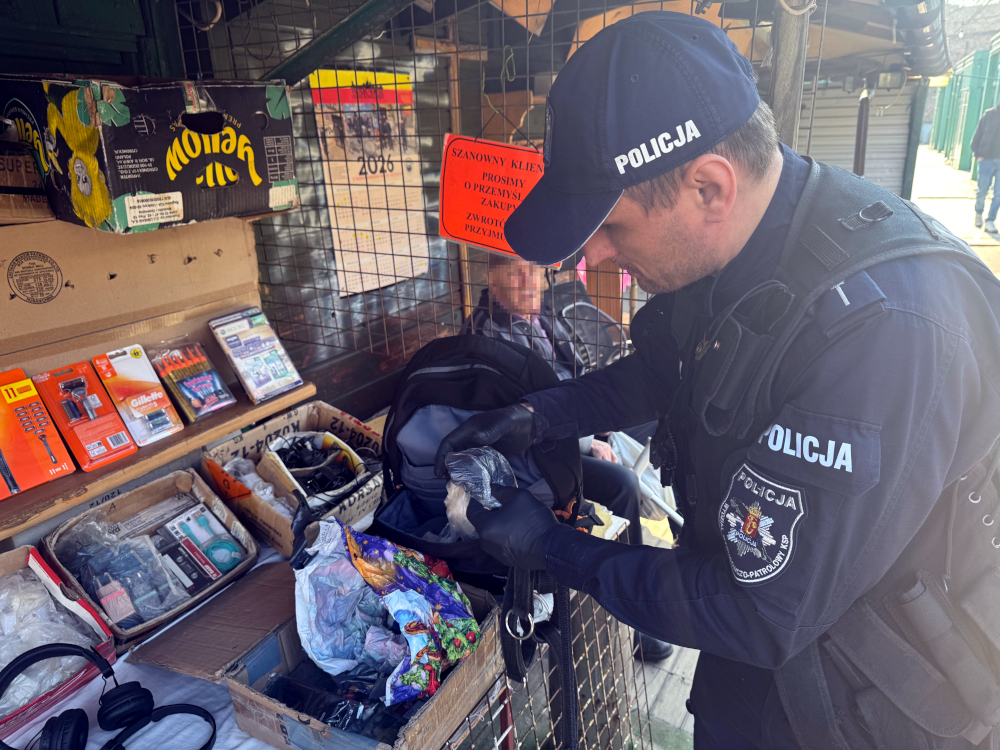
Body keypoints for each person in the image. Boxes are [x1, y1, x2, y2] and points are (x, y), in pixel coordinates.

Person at [434, 12, 1000, 750]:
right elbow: (665, 374)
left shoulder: (885, 332)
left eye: (613, 224)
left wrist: (553, 547)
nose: (596, 256)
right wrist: (541, 416)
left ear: (709, 187)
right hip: (755, 672)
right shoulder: (740, 247)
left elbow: (756, 610)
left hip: (870, 709)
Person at [462, 255, 675, 661]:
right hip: (541, 459)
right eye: (514, 272)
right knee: (622, 483)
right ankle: (633, 620)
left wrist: (599, 421)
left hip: (575, 432)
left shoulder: (542, 318)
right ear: (491, 279)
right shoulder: (492, 336)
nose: (528, 280)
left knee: (651, 431)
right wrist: (586, 442)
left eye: (533, 270)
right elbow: (516, 423)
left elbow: (576, 378)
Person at [971, 103, 1000, 233]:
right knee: (982, 190)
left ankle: (990, 221)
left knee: (998, 194)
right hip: (986, 160)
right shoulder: (989, 115)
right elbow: (977, 135)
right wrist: (977, 154)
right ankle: (978, 214)